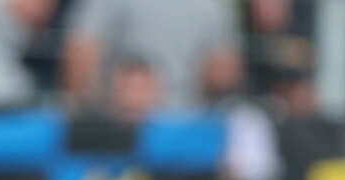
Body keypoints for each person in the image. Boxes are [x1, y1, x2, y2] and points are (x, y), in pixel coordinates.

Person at [61, 0, 243, 114]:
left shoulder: (214, 6)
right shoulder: (216, 5)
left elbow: (80, 56)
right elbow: (224, 76)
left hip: (175, 130)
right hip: (125, 125)